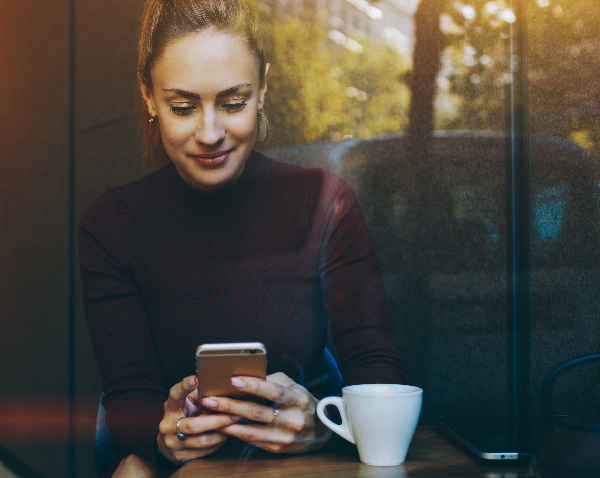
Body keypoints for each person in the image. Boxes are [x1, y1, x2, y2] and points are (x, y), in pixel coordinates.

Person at [78, 0, 408, 476]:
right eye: (183, 107)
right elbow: (129, 394)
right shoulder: (112, 225)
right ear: (149, 97)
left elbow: (378, 366)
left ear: (263, 88)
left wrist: (325, 424)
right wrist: (163, 436)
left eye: (233, 103)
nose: (210, 133)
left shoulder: (324, 203)